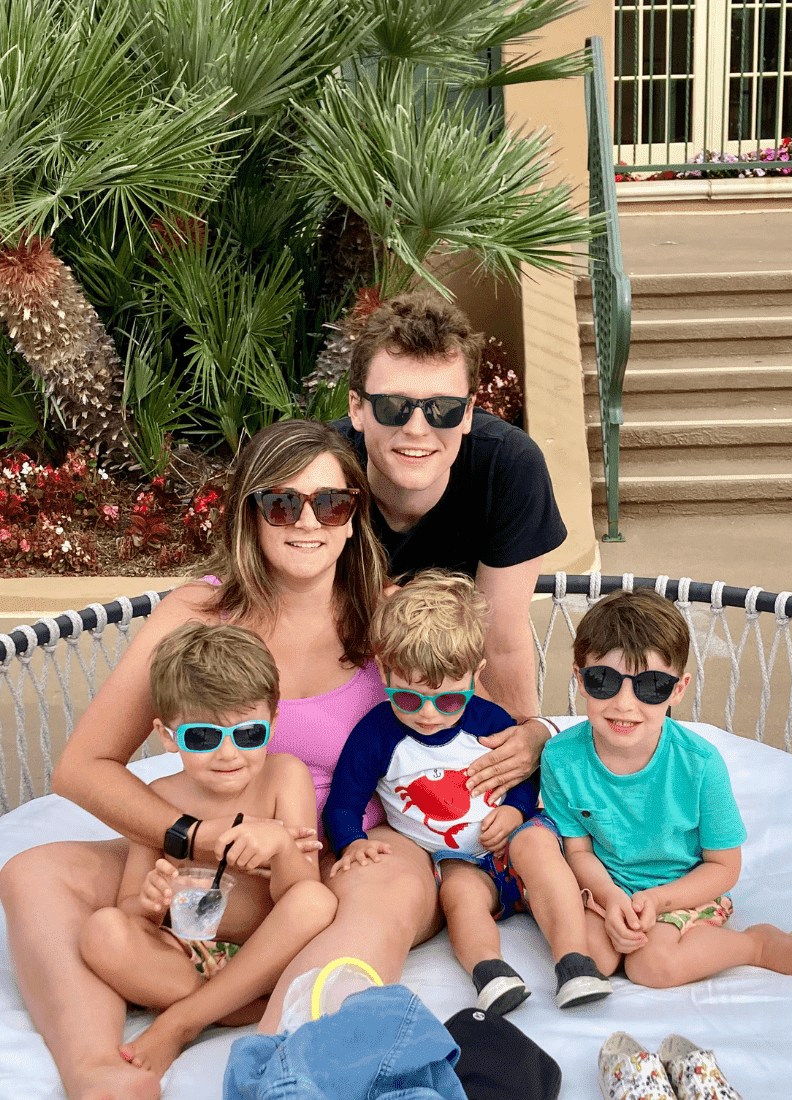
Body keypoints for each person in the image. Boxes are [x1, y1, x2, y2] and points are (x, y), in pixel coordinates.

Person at [0, 420, 444, 1100]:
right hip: (212, 843)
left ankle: (278, 1068)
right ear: (252, 515)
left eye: (331, 503)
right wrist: (197, 839)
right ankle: (101, 1072)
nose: (308, 521)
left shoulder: (391, 619)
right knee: (32, 872)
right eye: (282, 503)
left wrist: (530, 740)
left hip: (343, 849)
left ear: (354, 517)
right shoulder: (197, 614)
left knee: (383, 888)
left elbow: (473, 717)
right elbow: (83, 767)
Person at [323, 570, 611, 1015]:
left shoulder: (490, 721)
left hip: (514, 842)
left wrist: (516, 813)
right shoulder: (376, 735)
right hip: (455, 861)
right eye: (409, 699)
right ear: (383, 669)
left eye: (449, 700)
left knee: (539, 846)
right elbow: (344, 800)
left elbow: (524, 778)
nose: (429, 715)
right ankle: (490, 971)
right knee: (459, 897)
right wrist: (351, 842)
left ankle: (574, 961)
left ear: (475, 676)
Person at [334, 290, 567, 802]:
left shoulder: (507, 467)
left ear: (467, 412)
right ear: (357, 407)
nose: (417, 428)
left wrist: (518, 747)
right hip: (342, 695)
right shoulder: (321, 477)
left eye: (442, 409)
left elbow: (500, 639)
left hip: (450, 699)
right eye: (393, 406)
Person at [80, 621, 337, 1082]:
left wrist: (280, 844)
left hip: (260, 954)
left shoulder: (285, 778)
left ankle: (184, 1020)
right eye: (202, 737)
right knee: (101, 930)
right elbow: (131, 909)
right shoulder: (159, 796)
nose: (227, 753)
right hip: (182, 958)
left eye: (247, 734)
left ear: (273, 724)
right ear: (167, 735)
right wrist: (151, 903)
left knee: (317, 903)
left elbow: (301, 892)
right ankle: (225, 1003)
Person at [538, 587, 792, 988]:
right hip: (608, 890)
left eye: (651, 685)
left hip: (683, 890)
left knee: (650, 967)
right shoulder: (560, 757)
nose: (624, 704)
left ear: (678, 688)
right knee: (591, 960)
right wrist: (609, 896)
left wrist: (658, 901)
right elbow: (578, 850)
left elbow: (724, 866)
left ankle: (755, 945)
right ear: (580, 680)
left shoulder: (700, 764)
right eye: (603, 680)